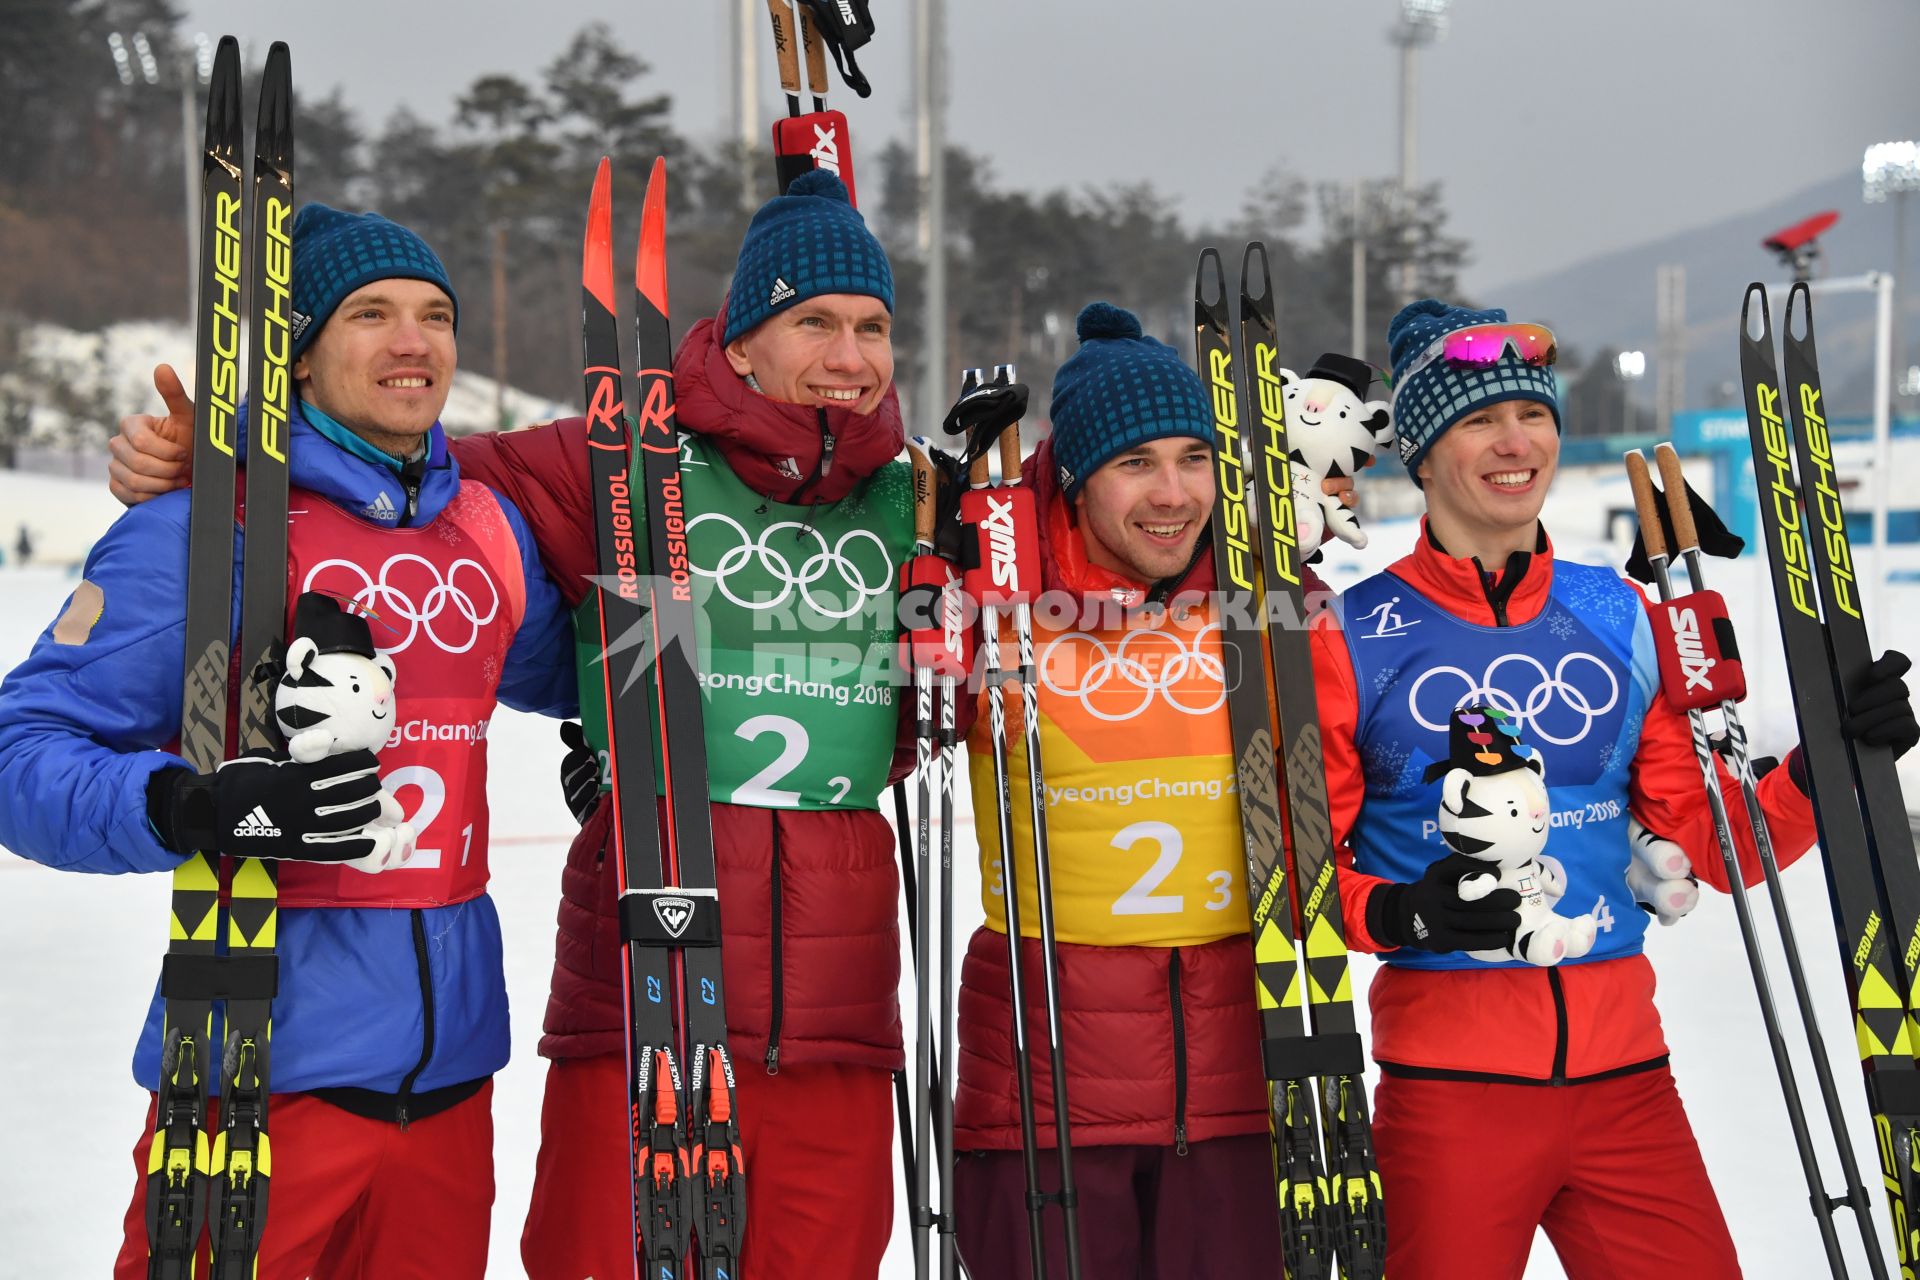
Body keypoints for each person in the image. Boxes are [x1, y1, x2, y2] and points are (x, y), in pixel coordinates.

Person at [110, 168, 914, 1279]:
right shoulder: (602, 464)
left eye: (873, 326)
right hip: (592, 1006)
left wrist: (617, 738)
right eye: (813, 321)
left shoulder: (916, 496)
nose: (849, 353)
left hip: (793, 1019)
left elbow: (1081, 566)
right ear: (737, 343)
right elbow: (412, 470)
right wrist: (221, 460)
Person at [4, 204, 576, 1277]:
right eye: (371, 313)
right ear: (301, 356)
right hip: (256, 1076)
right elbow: (22, 750)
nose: (414, 342)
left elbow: (577, 671)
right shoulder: (199, 530)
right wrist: (185, 802)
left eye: (435, 315)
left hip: (451, 1081)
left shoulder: (489, 531)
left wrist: (621, 737)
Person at [1314, 298, 1920, 1279]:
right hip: (1451, 1093)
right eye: (1479, 420)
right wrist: (1407, 912)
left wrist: (1824, 767)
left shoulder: (1620, 612)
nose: (1517, 443)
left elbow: (1716, 842)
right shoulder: (1352, 633)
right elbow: (1299, 880)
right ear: (1423, 453)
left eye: (1534, 415)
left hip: (1627, 1083)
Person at [952, 302, 1289, 1278]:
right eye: (1136, 463)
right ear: (1078, 475)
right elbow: (879, 743)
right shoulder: (997, 609)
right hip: (1044, 1100)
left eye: (1194, 458)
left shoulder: (1270, 606)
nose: (1174, 492)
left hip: (1240, 1089)